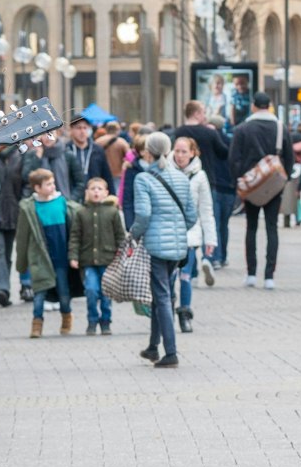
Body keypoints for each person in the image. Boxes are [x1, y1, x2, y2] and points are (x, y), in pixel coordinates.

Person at [130, 132, 194, 367]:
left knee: (163, 297)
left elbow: (144, 214)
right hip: (178, 246)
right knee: (161, 295)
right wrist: (177, 229)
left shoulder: (143, 179)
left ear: (148, 151)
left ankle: (171, 352)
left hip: (156, 246)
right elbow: (191, 216)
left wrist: (134, 235)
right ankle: (153, 346)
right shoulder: (181, 177)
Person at [228, 91, 285, 288]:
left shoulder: (243, 128)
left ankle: (251, 273)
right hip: (274, 186)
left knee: (251, 227)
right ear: (269, 106)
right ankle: (270, 276)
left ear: (253, 106)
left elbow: (233, 158)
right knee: (272, 227)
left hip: (251, 184)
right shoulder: (280, 127)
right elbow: (289, 156)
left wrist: (241, 178)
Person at [16, 166, 79, 337]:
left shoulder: (62, 202)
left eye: (53, 183)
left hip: (61, 258)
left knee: (64, 292)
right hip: (40, 258)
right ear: (37, 188)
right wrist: (22, 264)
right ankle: (37, 324)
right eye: (48, 184)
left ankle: (66, 316)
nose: (53, 186)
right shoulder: (29, 207)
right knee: (39, 294)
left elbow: (76, 225)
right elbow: (22, 237)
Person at [173, 99, 234, 263]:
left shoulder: (178, 132)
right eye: (203, 112)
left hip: (182, 180)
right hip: (207, 179)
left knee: (186, 219)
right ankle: (211, 257)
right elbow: (224, 153)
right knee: (208, 216)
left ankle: (189, 259)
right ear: (197, 113)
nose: (205, 116)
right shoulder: (209, 133)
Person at [171, 135, 219, 330]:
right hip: (169, 233)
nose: (180, 155)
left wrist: (211, 239)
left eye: (184, 151)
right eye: (177, 151)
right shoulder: (165, 171)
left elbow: (206, 209)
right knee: (169, 277)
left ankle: (185, 313)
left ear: (192, 153)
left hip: (190, 234)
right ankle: (166, 311)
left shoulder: (199, 176)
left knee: (185, 276)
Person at [71, 175, 127, 334]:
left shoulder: (112, 212)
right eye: (93, 189)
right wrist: (73, 256)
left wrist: (122, 254)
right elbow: (75, 236)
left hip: (108, 260)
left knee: (106, 293)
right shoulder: (81, 212)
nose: (96, 192)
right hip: (88, 260)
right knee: (91, 290)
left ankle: (106, 321)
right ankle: (92, 320)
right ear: (87, 192)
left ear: (106, 192)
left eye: (99, 189)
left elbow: (120, 235)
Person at [0, 139, 29, 307]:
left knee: (8, 253)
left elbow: (28, 181)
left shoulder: (20, 153)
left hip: (15, 211)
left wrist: (24, 202)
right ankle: (2, 289)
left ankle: (9, 286)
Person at [60, 117, 113, 204]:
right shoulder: (65, 149)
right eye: (78, 128)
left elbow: (106, 174)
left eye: (85, 128)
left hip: (94, 195)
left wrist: (111, 196)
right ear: (71, 130)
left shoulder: (97, 150)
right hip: (71, 194)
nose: (82, 131)